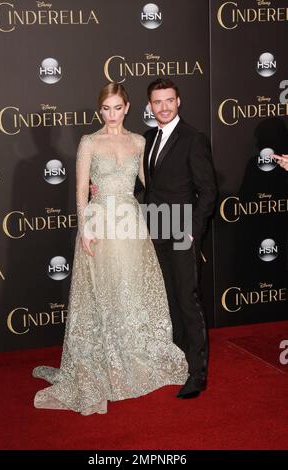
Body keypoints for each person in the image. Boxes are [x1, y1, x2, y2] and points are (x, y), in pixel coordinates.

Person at [32, 83, 188, 415]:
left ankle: (134, 356)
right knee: (103, 294)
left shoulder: (139, 141)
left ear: (128, 107)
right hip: (100, 223)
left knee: (131, 291)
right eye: (107, 109)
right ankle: (104, 363)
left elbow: (153, 184)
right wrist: (84, 227)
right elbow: (80, 190)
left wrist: (184, 197)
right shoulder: (89, 142)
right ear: (99, 110)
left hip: (130, 224)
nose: (112, 114)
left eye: (118, 108)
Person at [143, 79, 217, 399]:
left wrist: (192, 230)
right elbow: (149, 187)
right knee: (170, 301)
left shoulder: (193, 138)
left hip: (182, 232)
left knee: (188, 301)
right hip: (157, 230)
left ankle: (197, 374)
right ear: (150, 106)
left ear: (179, 101)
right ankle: (177, 361)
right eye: (157, 102)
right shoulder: (147, 138)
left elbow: (209, 191)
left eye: (168, 101)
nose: (163, 107)